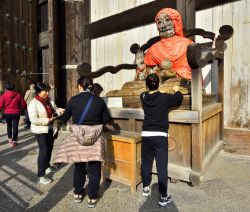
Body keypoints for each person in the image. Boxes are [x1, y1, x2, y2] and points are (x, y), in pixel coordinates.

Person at [56, 76, 111, 208]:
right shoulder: (99, 101)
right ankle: (92, 197)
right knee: (94, 167)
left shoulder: (74, 100)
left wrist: (59, 112)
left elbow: (64, 118)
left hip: (78, 138)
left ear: (79, 86)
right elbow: (106, 119)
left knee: (79, 166)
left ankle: (78, 193)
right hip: (96, 138)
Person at [140, 73, 183, 207]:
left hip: (146, 134)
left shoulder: (143, 96)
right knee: (161, 165)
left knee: (146, 162)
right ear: (159, 84)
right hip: (160, 135)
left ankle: (146, 187)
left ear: (147, 85)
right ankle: (164, 196)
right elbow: (178, 98)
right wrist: (176, 89)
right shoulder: (164, 98)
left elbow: (149, 93)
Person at [28, 82, 64, 184]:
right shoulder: (33, 103)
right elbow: (34, 120)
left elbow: (55, 109)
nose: (47, 93)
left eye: (48, 91)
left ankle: (47, 166)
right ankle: (41, 175)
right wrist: (48, 119)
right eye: (45, 91)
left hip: (50, 128)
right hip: (40, 130)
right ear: (39, 92)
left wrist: (59, 110)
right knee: (44, 150)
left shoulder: (48, 100)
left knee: (50, 147)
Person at [144, 8, 193, 80]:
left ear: (175, 23)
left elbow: (193, 72)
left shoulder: (187, 45)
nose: (164, 25)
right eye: (160, 22)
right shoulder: (152, 50)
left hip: (182, 85)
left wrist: (173, 73)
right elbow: (149, 74)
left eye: (167, 20)